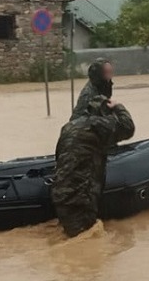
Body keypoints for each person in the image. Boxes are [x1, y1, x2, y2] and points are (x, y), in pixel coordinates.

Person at [52, 94, 135, 237]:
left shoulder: (68, 127)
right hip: (80, 199)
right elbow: (128, 127)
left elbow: (59, 156)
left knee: (71, 238)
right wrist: (118, 106)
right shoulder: (97, 125)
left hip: (60, 195)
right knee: (84, 245)